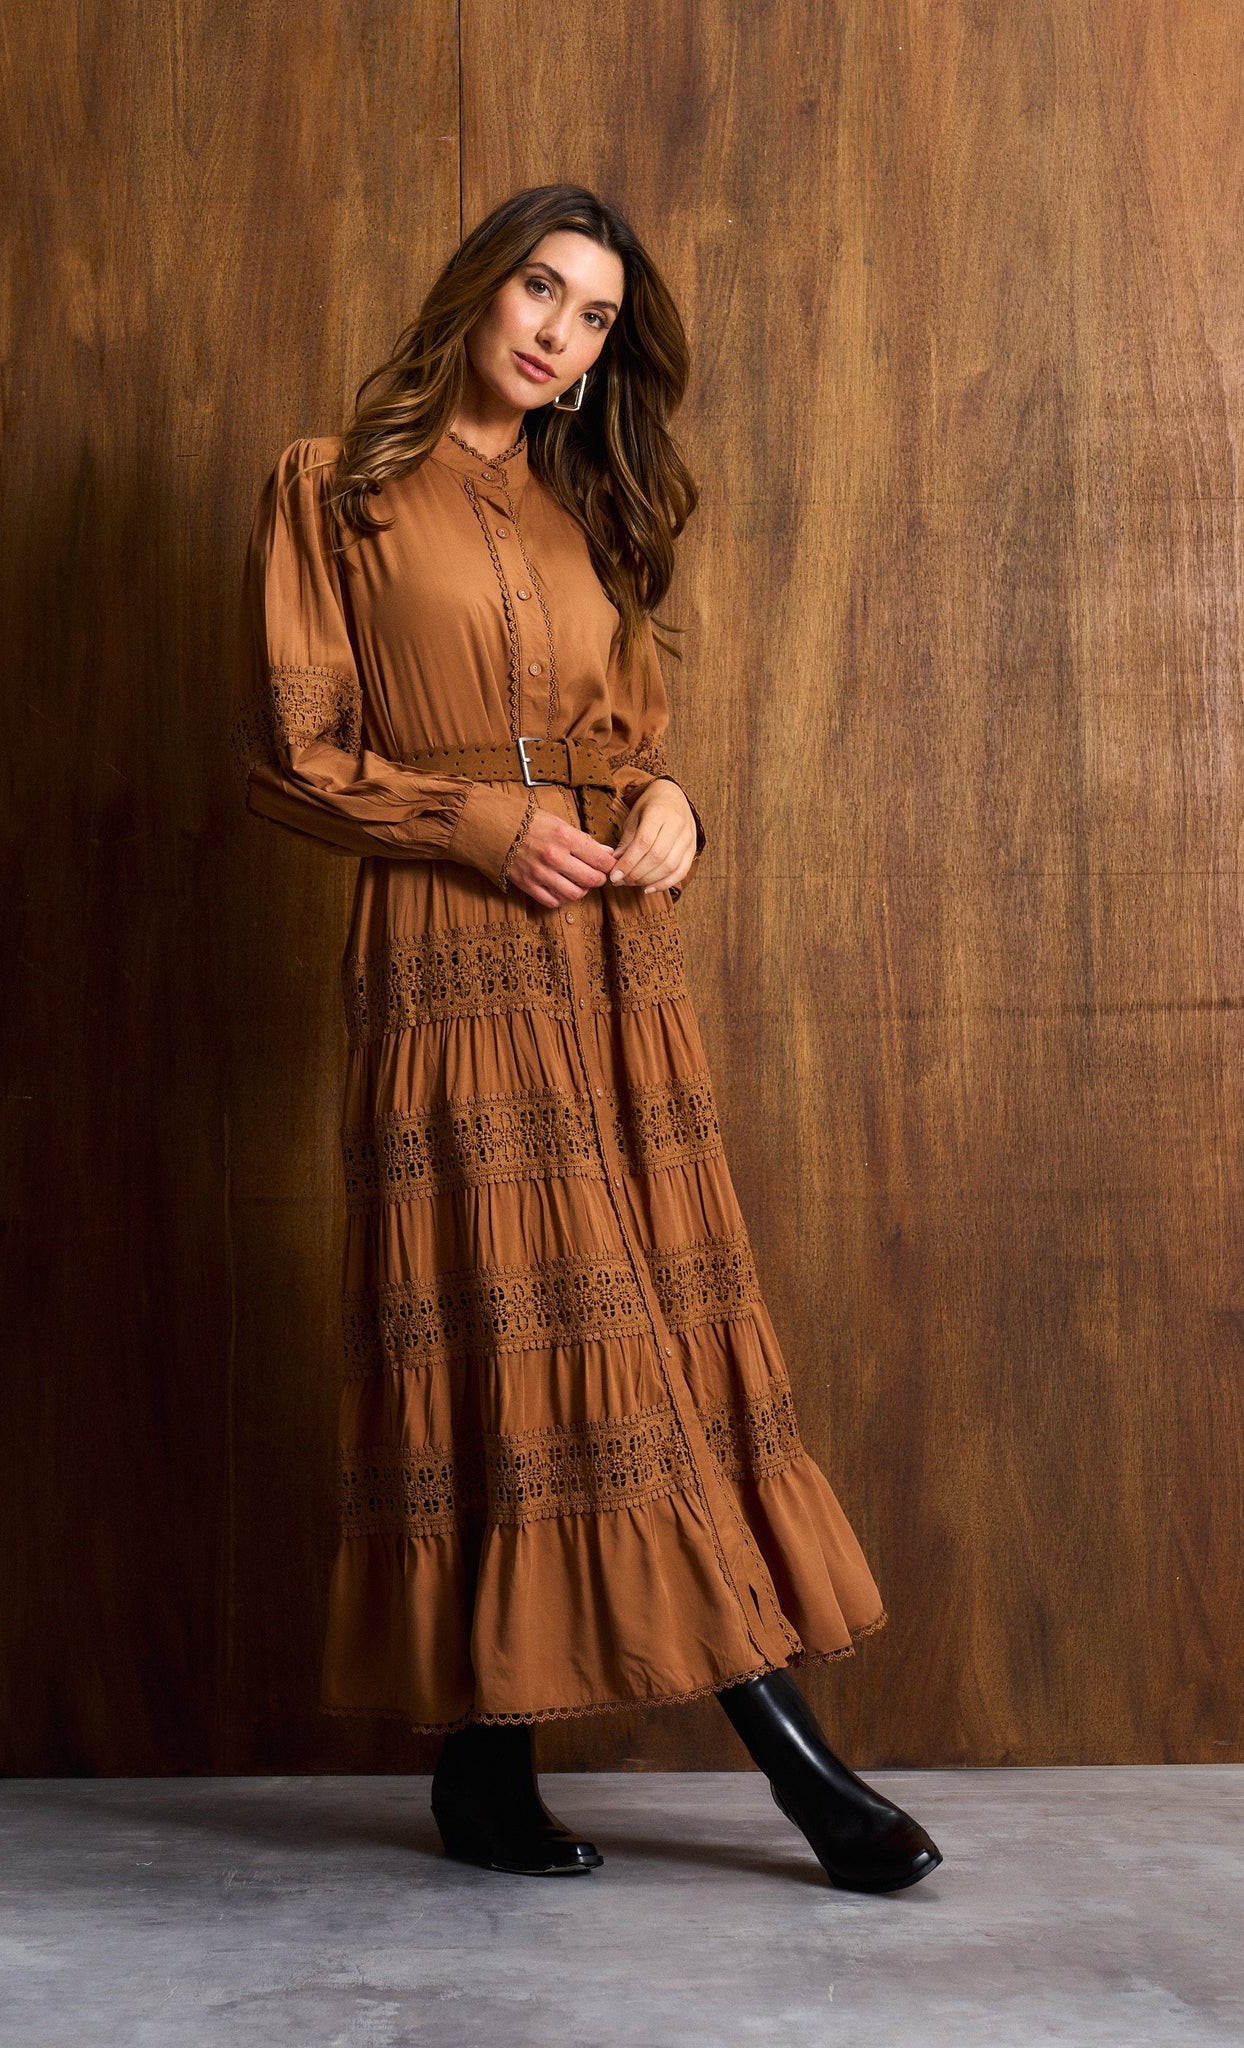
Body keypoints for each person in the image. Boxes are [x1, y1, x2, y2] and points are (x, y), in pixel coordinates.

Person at [237, 185, 940, 1893]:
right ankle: (801, 1771)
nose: (559, 332)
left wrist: (677, 802)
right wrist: (481, 828)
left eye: (596, 316)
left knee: (626, 1330)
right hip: (450, 945)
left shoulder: (593, 511)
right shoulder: (331, 485)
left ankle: (483, 1781)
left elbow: (627, 739)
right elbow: (296, 754)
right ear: (479, 289)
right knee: (545, 1320)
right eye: (539, 290)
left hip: (617, 955)